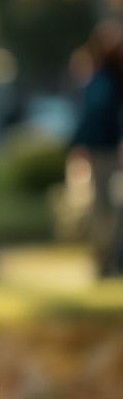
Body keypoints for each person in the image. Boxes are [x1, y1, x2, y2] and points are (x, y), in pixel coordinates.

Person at [69, 19, 123, 277]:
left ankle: (109, 260)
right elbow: (91, 116)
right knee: (104, 208)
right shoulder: (99, 78)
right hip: (102, 150)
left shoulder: (107, 79)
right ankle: (105, 261)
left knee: (108, 207)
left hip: (109, 149)